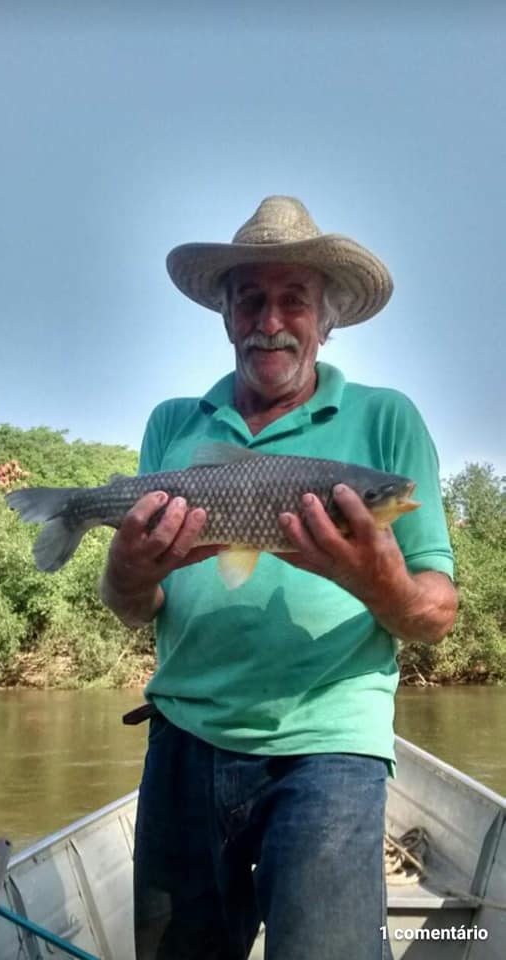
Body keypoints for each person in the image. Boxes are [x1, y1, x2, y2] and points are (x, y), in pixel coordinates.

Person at [100, 196, 458, 960]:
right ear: (226, 316)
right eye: (250, 299)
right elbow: (133, 609)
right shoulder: (172, 422)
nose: (270, 320)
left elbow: (433, 614)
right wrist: (126, 573)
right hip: (183, 737)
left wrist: (378, 582)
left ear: (325, 321)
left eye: (292, 299)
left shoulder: (387, 420)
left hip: (329, 746)